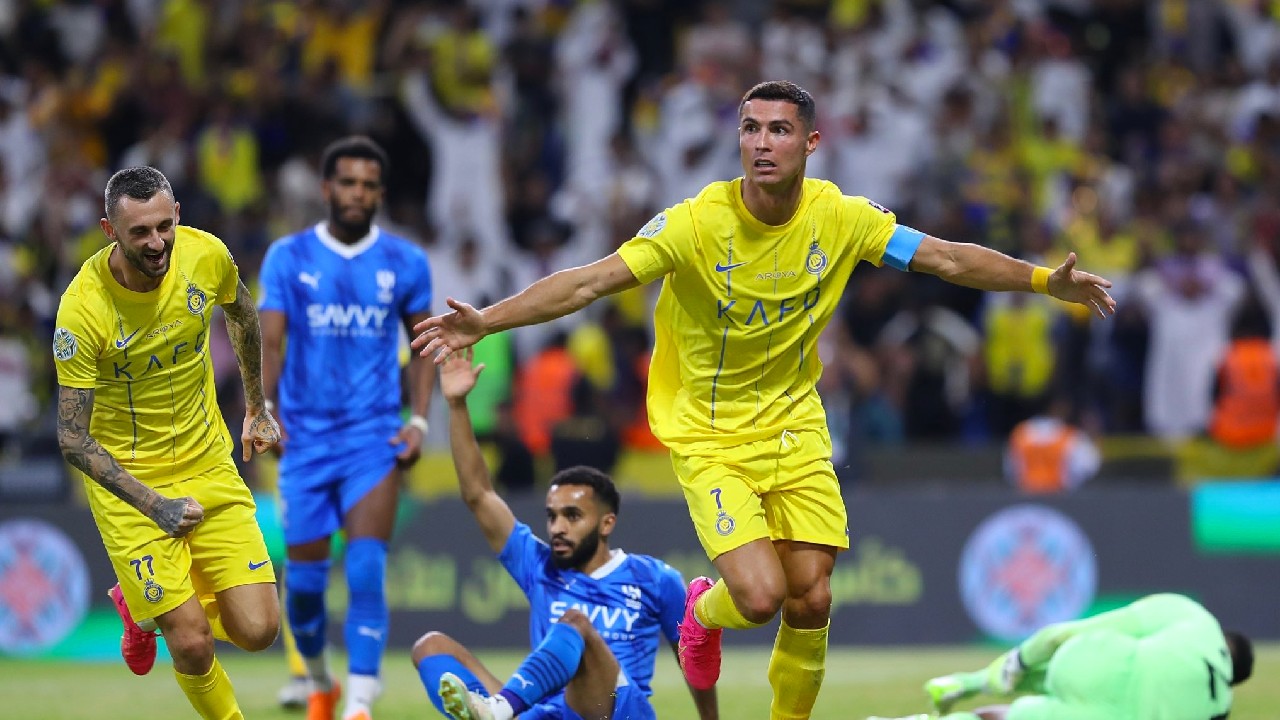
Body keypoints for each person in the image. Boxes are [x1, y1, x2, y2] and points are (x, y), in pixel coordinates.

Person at [411, 80, 1116, 719]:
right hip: (711, 434)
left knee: (812, 596)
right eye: (750, 129)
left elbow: (949, 258)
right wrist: (490, 318)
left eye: (778, 130)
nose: (761, 143)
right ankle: (701, 614)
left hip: (795, 427)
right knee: (758, 597)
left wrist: (1042, 283)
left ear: (811, 142)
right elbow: (590, 282)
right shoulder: (695, 223)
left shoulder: (842, 218)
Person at [53, 166, 283, 719]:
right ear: (110, 230)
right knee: (193, 641)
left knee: (259, 630)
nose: (157, 243)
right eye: (140, 233)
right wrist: (155, 505)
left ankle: (143, 607)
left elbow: (244, 314)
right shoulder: (83, 312)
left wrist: (256, 408)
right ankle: (162, 618)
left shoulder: (206, 257)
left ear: (177, 215)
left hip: (208, 461)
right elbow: (72, 439)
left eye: (164, 226)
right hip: (131, 482)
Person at [410, 349, 718, 720]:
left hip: (620, 712)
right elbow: (479, 495)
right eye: (552, 516)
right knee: (431, 647)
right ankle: (496, 711)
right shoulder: (539, 565)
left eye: (572, 516)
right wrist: (457, 405)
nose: (557, 527)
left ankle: (499, 710)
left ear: (607, 523)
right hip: (549, 712)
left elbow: (693, 659)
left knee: (575, 624)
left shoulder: (655, 579)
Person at [258, 135, 436, 720]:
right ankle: (319, 681)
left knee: (364, 568)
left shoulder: (406, 262)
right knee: (304, 590)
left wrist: (418, 421)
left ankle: (359, 703)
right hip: (305, 442)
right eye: (348, 183)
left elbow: (426, 344)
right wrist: (265, 410)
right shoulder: (289, 257)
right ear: (327, 188)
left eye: (369, 185)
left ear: (379, 194)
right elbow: (273, 340)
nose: (358, 193)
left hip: (372, 438)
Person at [869, 593, 1254, 720]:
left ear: (1223, 637)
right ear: (1231, 678)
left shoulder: (1193, 616)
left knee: (1052, 660)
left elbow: (1065, 635)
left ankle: (972, 682)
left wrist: (1021, 658)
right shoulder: (1219, 707)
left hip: (1090, 667)